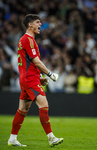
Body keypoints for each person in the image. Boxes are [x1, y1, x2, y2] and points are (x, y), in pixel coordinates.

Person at [7, 14, 63, 147]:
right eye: (38, 22)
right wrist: (49, 74)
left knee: (22, 109)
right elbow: (36, 62)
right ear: (30, 25)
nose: (40, 25)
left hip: (27, 79)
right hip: (30, 80)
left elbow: (27, 64)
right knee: (44, 105)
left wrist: (39, 77)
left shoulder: (23, 40)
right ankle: (51, 138)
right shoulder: (28, 40)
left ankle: (12, 139)